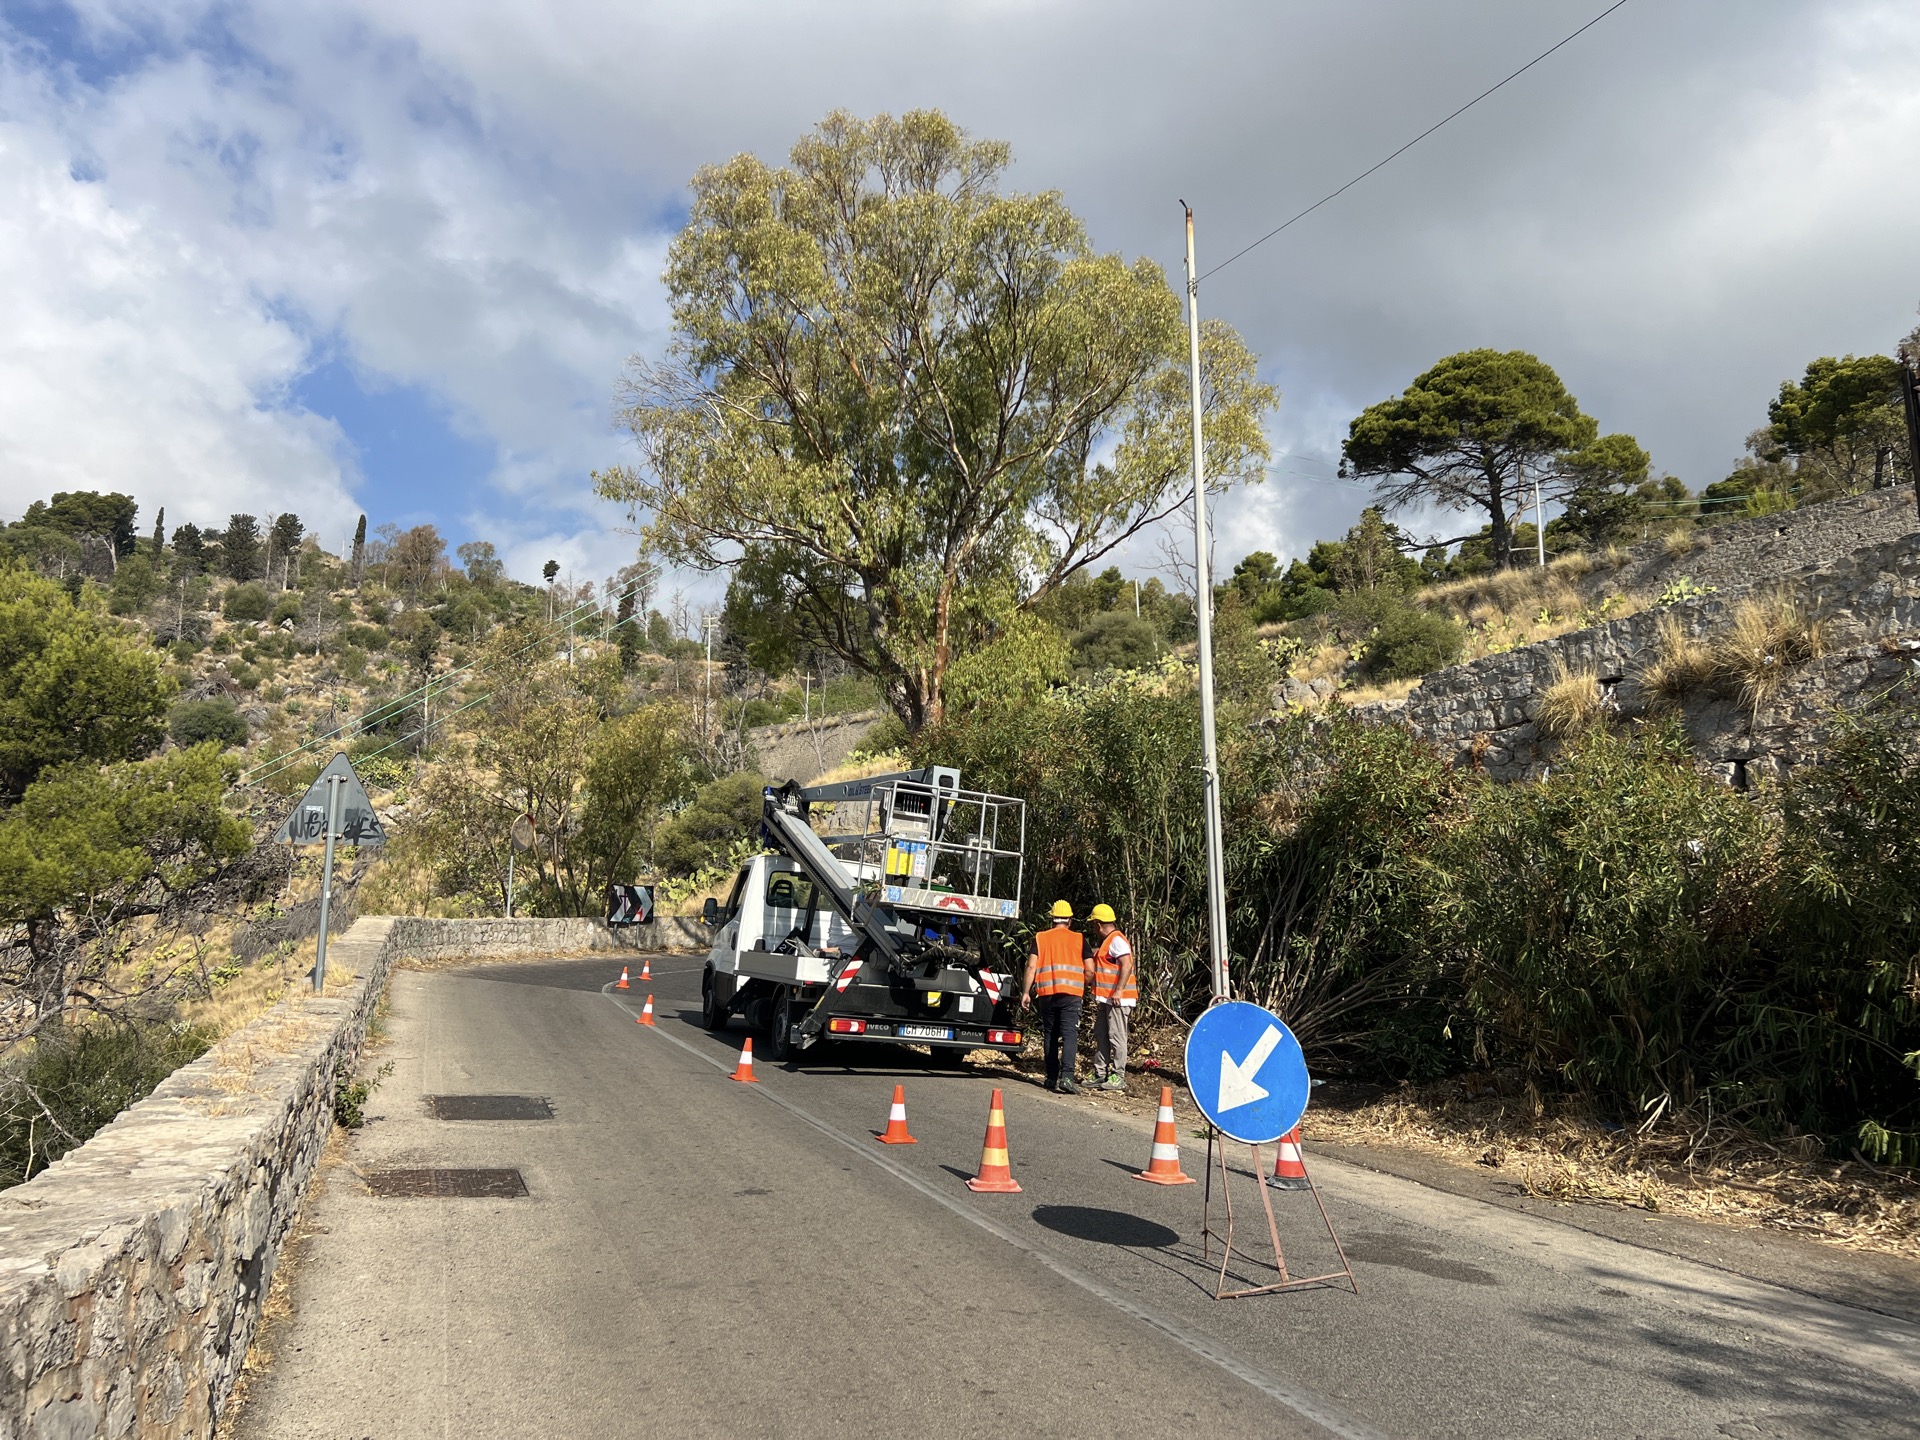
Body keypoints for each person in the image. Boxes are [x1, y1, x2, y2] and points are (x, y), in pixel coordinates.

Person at [1021, 900, 1090, 1094]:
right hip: (1072, 994)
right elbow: (1091, 969)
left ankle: (1051, 1077)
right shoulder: (1079, 939)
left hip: (1047, 994)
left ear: (1052, 919)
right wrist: (1084, 983)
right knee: (1069, 1034)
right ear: (1070, 920)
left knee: (1050, 1034)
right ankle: (1067, 1078)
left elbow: (1031, 966)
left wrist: (1026, 992)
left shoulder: (1041, 938)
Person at [1087, 903, 1135, 1092]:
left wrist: (1119, 990)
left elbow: (1127, 964)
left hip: (1118, 999)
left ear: (1098, 924)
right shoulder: (1109, 942)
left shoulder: (1116, 940)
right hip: (1107, 999)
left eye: (1093, 925)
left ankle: (1118, 1075)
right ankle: (1100, 1073)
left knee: (1117, 1036)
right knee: (1102, 1034)